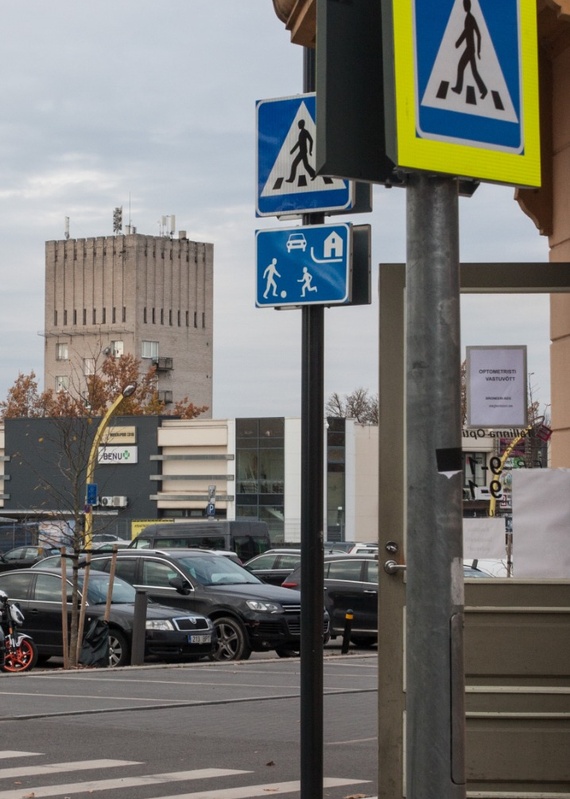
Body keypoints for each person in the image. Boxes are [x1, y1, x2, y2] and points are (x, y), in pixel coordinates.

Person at [451, 0, 487, 99]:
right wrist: (478, 50)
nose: (464, 6)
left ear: (468, 6)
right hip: (471, 49)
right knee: (474, 71)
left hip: (470, 49)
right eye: (464, 4)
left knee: (461, 66)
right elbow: (469, 32)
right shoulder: (469, 18)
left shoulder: (469, 18)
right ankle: (484, 90)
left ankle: (459, 88)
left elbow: (473, 33)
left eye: (465, 5)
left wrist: (479, 50)